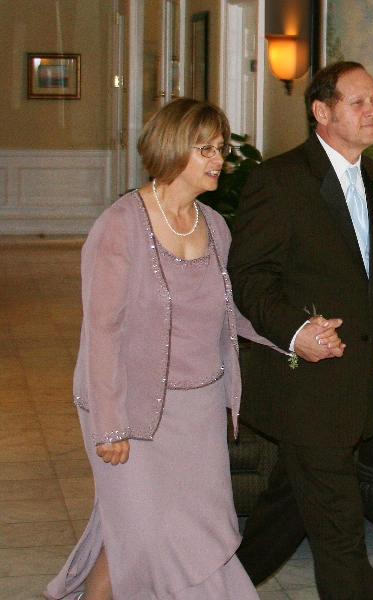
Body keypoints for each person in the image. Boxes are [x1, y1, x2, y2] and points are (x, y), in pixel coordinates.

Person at [44, 97, 344, 600]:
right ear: (171, 149)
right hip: (132, 414)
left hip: (199, 415)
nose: (218, 160)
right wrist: (110, 425)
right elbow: (102, 332)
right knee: (143, 536)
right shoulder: (120, 226)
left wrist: (297, 332)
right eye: (205, 149)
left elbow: (234, 311)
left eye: (221, 149)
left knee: (159, 536)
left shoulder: (216, 226)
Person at [228, 61, 373, 600]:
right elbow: (248, 277)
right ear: (322, 112)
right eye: (359, 103)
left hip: (349, 390)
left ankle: (212, 583)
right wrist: (295, 331)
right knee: (340, 532)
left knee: (288, 508)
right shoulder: (279, 181)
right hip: (299, 387)